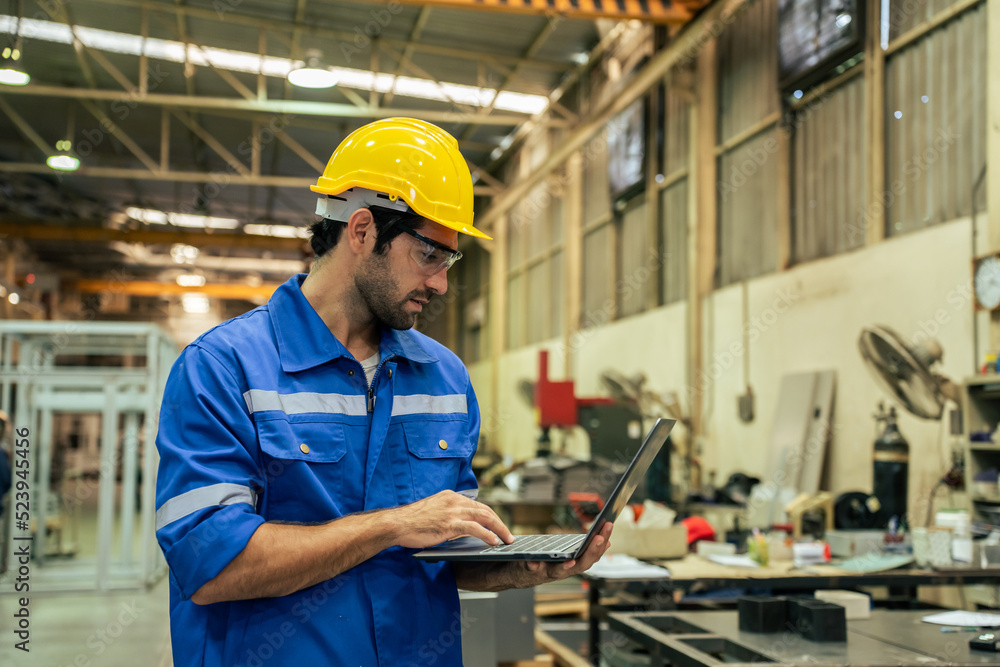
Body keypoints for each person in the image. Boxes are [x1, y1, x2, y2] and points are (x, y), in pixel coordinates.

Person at [154, 117, 612, 667]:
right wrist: (395, 524)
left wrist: (517, 567)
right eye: (429, 254)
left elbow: (442, 550)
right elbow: (210, 565)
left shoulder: (444, 378)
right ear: (363, 229)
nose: (441, 282)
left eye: (449, 260)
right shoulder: (223, 369)